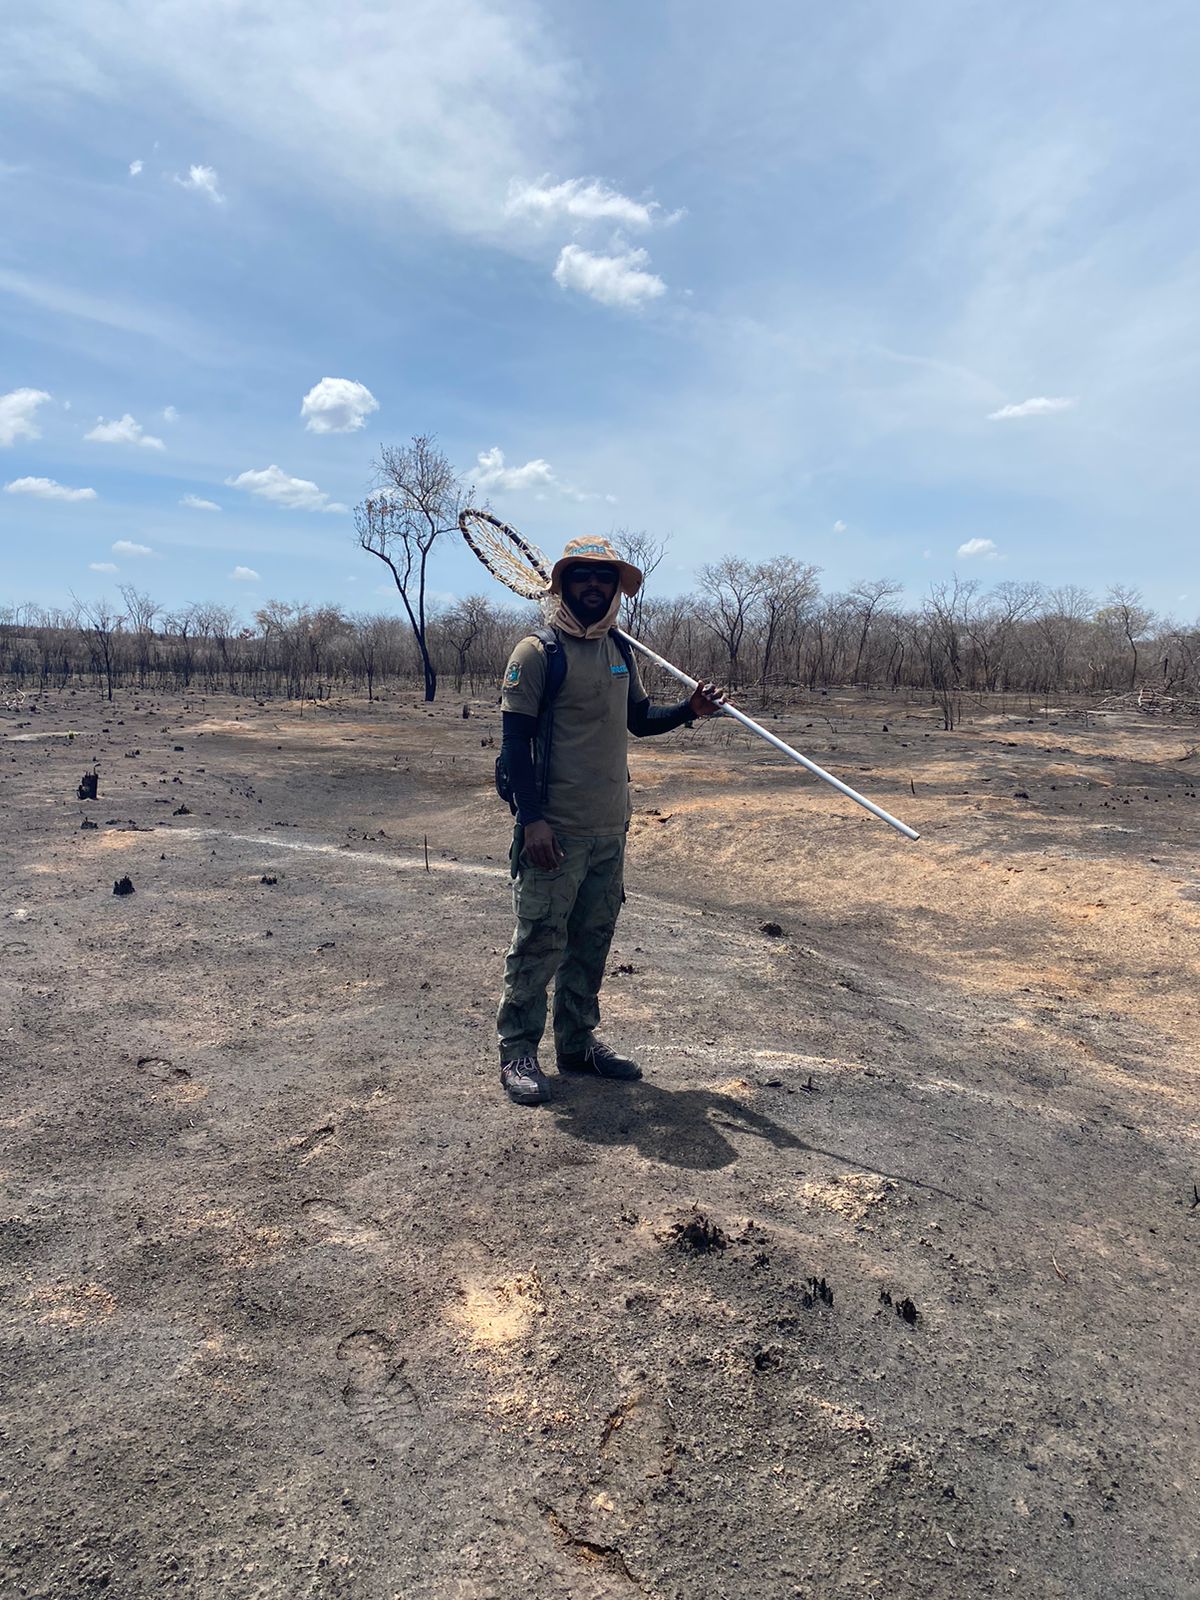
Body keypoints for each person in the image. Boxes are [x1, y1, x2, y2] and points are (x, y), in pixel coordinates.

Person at [495, 536, 725, 1106]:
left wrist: (690, 711)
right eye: (583, 576)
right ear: (564, 585)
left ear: (617, 588)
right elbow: (514, 745)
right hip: (555, 831)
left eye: (605, 577)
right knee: (538, 944)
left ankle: (577, 1045)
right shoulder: (537, 652)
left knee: (591, 943)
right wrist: (533, 820)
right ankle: (518, 1053)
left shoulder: (620, 648)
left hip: (609, 830)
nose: (595, 586)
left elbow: (638, 720)